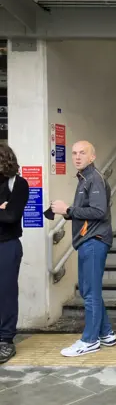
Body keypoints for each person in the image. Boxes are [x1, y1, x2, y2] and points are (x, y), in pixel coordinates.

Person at [52, 141, 116, 357]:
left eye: (83, 153)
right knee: (91, 290)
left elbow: (98, 211)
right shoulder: (85, 178)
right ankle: (106, 333)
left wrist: (68, 209)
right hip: (89, 239)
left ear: (92, 156)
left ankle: (90, 340)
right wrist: (68, 212)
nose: (77, 157)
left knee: (90, 293)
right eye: (74, 153)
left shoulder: (94, 178)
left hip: (94, 240)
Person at [0, 145, 29, 365]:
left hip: (7, 245)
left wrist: (5, 210)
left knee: (6, 293)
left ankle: (5, 340)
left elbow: (11, 216)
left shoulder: (18, 184)